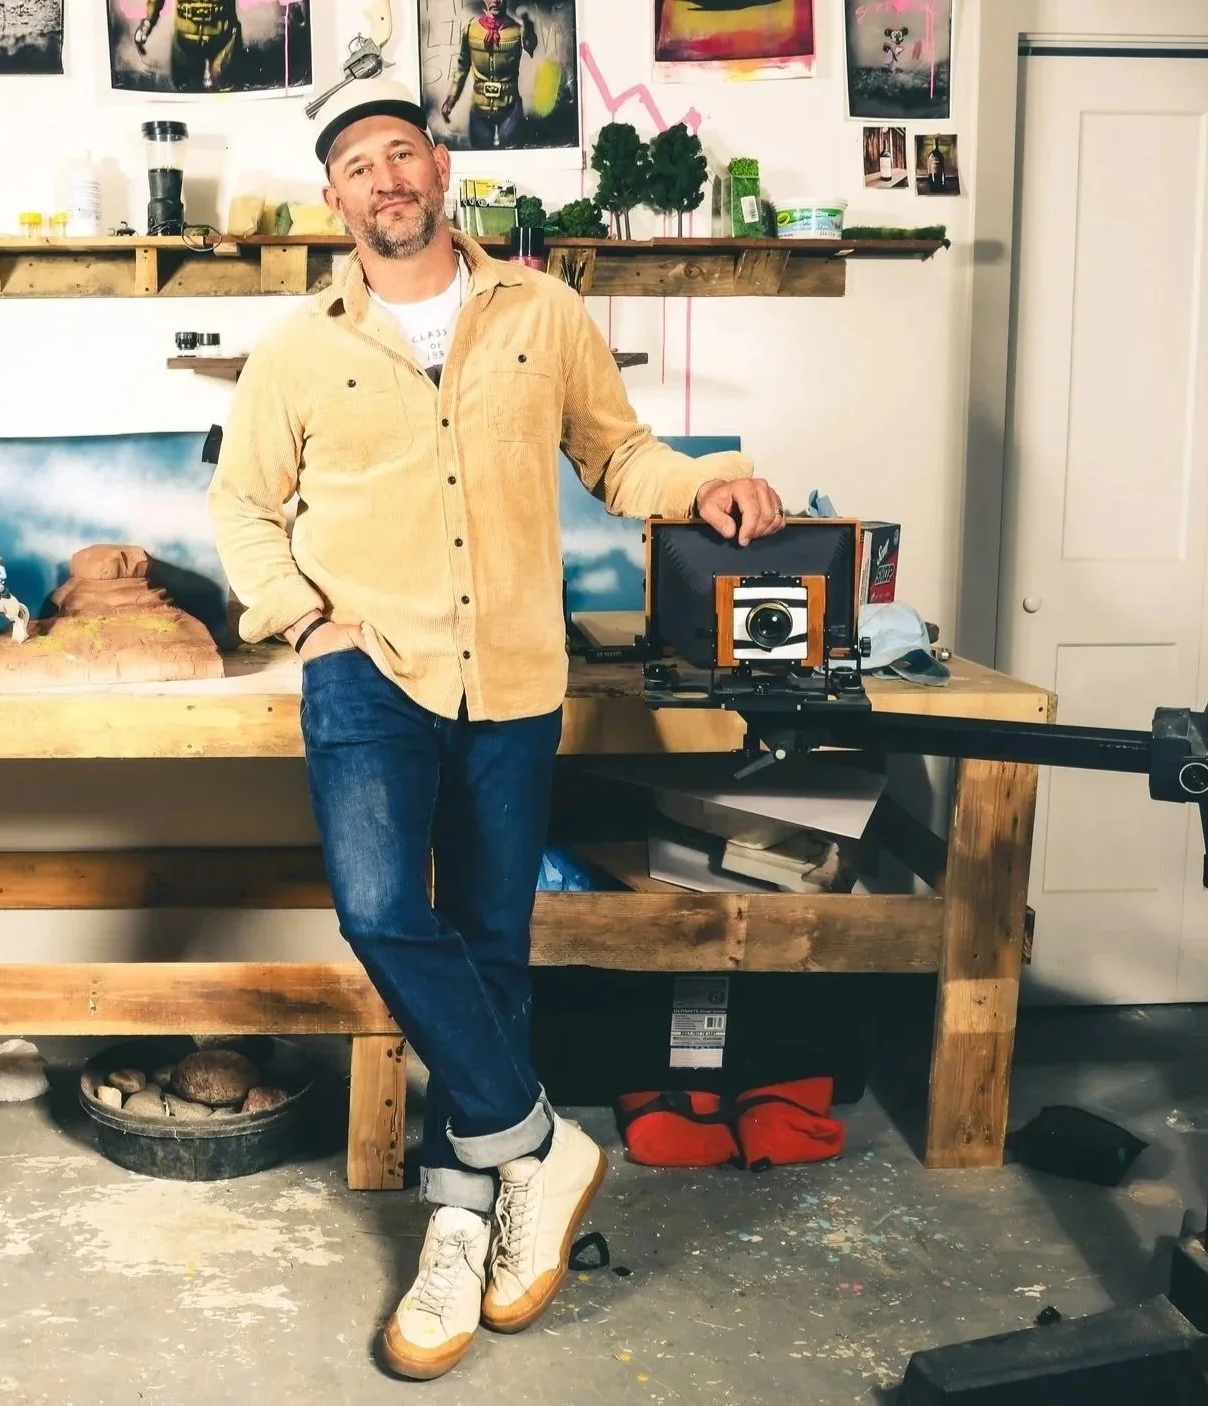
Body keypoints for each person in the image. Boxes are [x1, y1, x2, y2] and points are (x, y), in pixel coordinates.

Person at [206, 78, 786, 1382]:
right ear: (334, 200)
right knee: (378, 910)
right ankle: (541, 1140)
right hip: (366, 662)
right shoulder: (298, 347)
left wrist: (710, 483)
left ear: (439, 166)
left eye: (400, 152)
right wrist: (303, 621)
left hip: (515, 669)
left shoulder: (544, 310)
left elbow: (620, 457)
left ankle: (464, 1221)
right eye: (358, 165)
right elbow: (243, 504)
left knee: (490, 945)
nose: (384, 178)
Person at [440, 0, 537, 150]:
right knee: (481, 155)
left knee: (511, 155)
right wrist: (451, 99)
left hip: (510, 108)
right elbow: (462, 68)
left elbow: (530, 46)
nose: (496, 1)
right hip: (480, 110)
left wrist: (528, 25)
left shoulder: (517, 31)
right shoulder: (471, 30)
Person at [131, 0, 244, 93]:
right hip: (185, 40)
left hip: (223, 39)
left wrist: (148, 23)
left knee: (224, 88)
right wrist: (147, 24)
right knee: (186, 91)